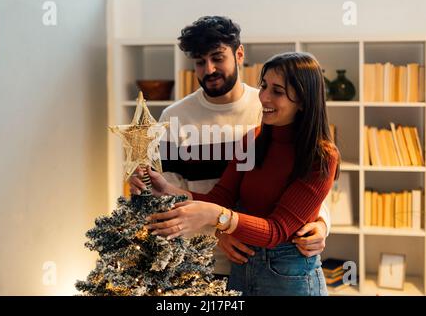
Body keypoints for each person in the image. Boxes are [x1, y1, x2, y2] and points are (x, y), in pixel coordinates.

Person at [133, 16, 331, 279]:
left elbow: (312, 181)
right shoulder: (174, 117)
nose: (210, 69)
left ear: (239, 54)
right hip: (200, 262)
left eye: (217, 57)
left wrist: (322, 224)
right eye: (200, 62)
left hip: (268, 260)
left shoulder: (269, 108)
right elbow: (174, 203)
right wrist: (220, 231)